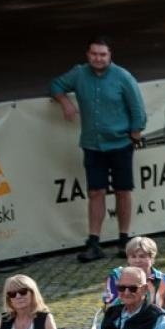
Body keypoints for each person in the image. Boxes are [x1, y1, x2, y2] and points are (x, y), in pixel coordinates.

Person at [50, 37, 146, 263]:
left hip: (120, 143)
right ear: (88, 54)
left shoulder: (123, 76)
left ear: (110, 55)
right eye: (94, 54)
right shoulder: (79, 73)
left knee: (123, 191)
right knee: (95, 192)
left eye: (102, 54)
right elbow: (56, 85)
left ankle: (124, 240)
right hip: (92, 145)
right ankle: (94, 241)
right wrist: (65, 102)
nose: (98, 58)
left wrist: (135, 132)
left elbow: (137, 108)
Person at [103, 236, 165, 306]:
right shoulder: (116, 276)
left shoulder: (164, 280)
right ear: (128, 259)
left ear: (152, 259)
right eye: (133, 256)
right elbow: (109, 304)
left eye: (142, 256)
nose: (137, 260)